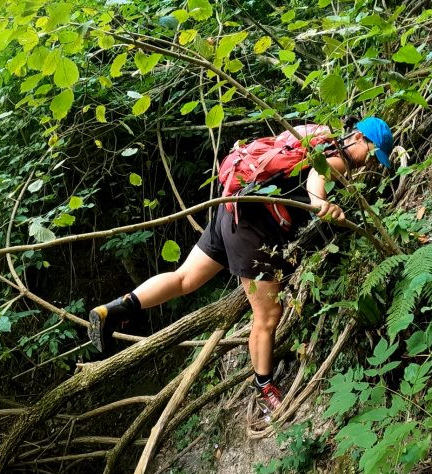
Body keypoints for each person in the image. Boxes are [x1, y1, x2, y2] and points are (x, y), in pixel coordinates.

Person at [88, 116, 395, 413]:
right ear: (359, 137)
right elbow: (317, 177)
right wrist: (321, 204)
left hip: (232, 207)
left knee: (185, 279)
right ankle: (265, 388)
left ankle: (115, 309)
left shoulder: (315, 133)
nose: (369, 163)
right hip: (254, 227)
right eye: (371, 153)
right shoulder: (337, 154)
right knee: (268, 314)